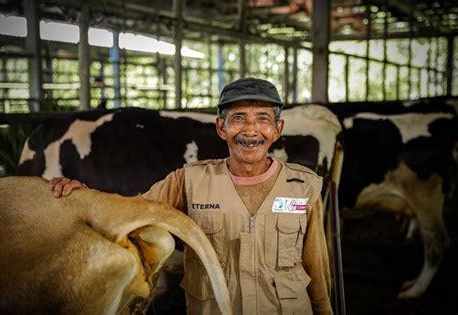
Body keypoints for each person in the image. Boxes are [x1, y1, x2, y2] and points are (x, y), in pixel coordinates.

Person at [49, 77, 333, 315]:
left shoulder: (303, 186)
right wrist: (84, 195)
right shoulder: (189, 180)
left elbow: (316, 266)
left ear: (277, 130)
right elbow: (131, 211)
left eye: (262, 119)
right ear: (222, 128)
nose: (250, 129)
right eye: (238, 118)